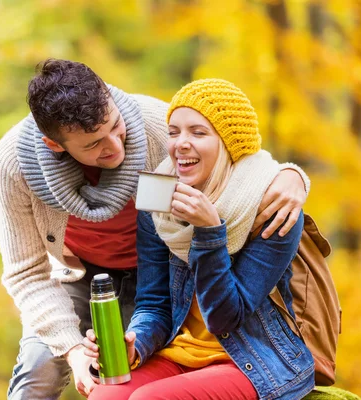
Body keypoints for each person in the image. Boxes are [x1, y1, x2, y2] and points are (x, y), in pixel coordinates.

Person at [0, 60, 311, 399]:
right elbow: (28, 274)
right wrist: (80, 350)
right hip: (88, 277)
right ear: (56, 145)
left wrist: (294, 177)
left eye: (116, 126)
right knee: (40, 371)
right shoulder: (15, 164)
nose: (115, 146)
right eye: (93, 144)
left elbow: (243, 153)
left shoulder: (159, 126)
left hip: (233, 341)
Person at [84, 79, 315, 400]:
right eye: (174, 132)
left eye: (198, 132)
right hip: (179, 352)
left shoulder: (271, 205)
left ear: (229, 143)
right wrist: (136, 343)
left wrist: (208, 233)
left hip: (253, 361)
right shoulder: (157, 193)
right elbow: (154, 303)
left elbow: (224, 318)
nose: (181, 143)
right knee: (104, 396)